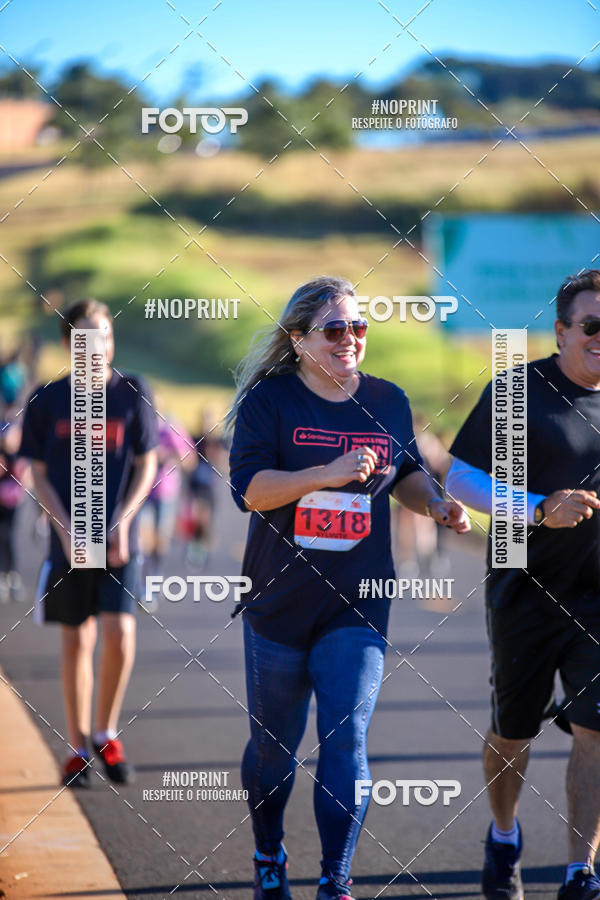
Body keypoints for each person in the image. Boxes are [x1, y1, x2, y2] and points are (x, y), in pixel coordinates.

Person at [228, 276, 469, 900]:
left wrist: (437, 505)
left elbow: (407, 474)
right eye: (334, 330)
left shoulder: (387, 401)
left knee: (346, 739)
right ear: (299, 339)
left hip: (356, 601)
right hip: (278, 602)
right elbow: (252, 492)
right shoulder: (269, 402)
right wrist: (327, 474)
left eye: (358, 328)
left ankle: (336, 881)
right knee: (273, 754)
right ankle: (269, 853)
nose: (349, 340)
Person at [446, 269, 600, 900]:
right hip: (526, 588)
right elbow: (460, 480)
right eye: (591, 326)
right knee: (514, 732)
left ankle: (579, 870)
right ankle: (504, 833)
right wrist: (539, 507)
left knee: (596, 732)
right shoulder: (519, 391)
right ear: (561, 331)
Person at [19, 299, 158, 788]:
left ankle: (105, 731)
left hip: (119, 540)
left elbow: (147, 464)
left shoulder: (133, 393)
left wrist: (123, 519)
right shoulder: (48, 400)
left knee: (121, 635)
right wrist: (65, 531)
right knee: (77, 641)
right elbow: (37, 472)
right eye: (85, 339)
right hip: (68, 540)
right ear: (68, 345)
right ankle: (77, 747)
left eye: (104, 337)